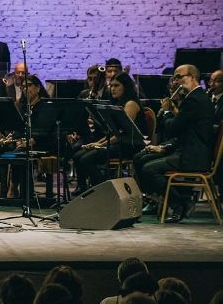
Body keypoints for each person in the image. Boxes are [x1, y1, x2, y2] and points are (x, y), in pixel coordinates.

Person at [136, 64, 214, 222]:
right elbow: (183, 133)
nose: (176, 81)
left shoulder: (194, 100)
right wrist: (164, 147)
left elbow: (173, 128)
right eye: (175, 77)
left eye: (179, 77)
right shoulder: (194, 97)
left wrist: (166, 111)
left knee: (148, 169)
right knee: (141, 158)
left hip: (192, 156)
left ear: (192, 77)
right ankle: (160, 199)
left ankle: (178, 203)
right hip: (187, 149)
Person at [72, 72, 147, 194]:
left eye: (116, 85)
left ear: (126, 86)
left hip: (131, 145)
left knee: (86, 159)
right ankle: (84, 188)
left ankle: (107, 192)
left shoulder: (131, 104)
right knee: (77, 155)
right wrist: (97, 143)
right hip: (119, 143)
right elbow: (114, 133)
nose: (112, 89)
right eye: (111, 86)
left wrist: (101, 145)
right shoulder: (118, 103)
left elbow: (123, 134)